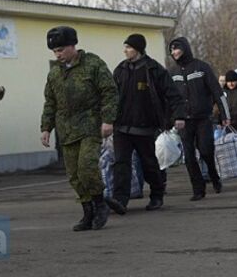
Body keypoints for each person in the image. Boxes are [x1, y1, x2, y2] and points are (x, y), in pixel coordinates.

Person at [40, 26, 117, 231]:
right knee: (74, 175)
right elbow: (50, 102)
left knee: (87, 168)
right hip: (66, 130)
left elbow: (109, 92)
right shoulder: (54, 73)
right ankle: (87, 211)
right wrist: (46, 128)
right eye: (54, 51)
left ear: (73, 46)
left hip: (90, 125)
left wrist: (108, 120)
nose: (58, 54)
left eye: (61, 50)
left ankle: (100, 205)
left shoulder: (92, 64)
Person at [105, 34, 186, 215]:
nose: (124, 50)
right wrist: (106, 120)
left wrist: (178, 116)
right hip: (122, 127)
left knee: (149, 163)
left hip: (145, 126)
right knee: (121, 164)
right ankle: (120, 200)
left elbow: (173, 95)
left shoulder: (154, 69)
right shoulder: (121, 69)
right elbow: (110, 96)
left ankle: (157, 195)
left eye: (128, 47)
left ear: (138, 49)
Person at [169, 37, 230, 201]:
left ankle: (214, 177)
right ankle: (198, 189)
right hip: (184, 121)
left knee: (206, 151)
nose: (174, 52)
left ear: (185, 49)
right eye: (172, 50)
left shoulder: (202, 67)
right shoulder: (172, 73)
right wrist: (170, 118)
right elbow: (169, 97)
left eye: (177, 48)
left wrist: (225, 115)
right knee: (188, 156)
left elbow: (218, 92)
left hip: (203, 118)